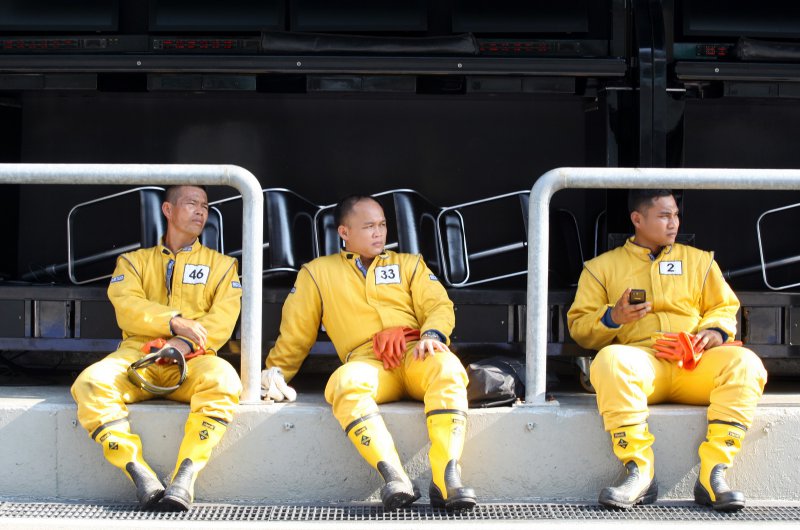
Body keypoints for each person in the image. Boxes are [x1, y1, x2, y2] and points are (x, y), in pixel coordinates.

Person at [261, 194, 476, 511]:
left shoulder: (409, 264)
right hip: (368, 362)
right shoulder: (318, 273)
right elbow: (296, 333)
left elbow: (438, 306)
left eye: (382, 225)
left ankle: (447, 479)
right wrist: (275, 371)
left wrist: (431, 334)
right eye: (369, 226)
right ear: (344, 232)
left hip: (416, 352)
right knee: (343, 382)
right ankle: (395, 477)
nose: (379, 233)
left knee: (449, 368)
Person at [567, 189, 767, 512]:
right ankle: (640, 472)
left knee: (747, 364)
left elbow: (724, 307)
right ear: (637, 219)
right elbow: (579, 326)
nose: (673, 223)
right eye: (664, 215)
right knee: (610, 361)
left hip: (695, 363)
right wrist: (613, 317)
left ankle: (713, 474)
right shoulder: (601, 267)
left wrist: (712, 332)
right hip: (645, 365)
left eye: (675, 214)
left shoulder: (699, 261)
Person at [71, 184, 243, 511]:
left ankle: (186, 475)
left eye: (205, 206)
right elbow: (126, 306)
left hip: (194, 360)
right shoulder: (133, 262)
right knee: (90, 383)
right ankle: (137, 471)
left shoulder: (223, 266)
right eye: (191, 203)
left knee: (224, 380)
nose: (201, 211)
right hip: (139, 357)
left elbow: (224, 319)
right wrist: (174, 322)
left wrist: (183, 342)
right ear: (168, 210)